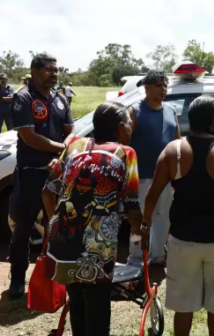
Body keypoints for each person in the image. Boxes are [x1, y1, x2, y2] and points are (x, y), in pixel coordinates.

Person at [143, 96, 214, 336]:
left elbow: (152, 195)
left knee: (183, 308)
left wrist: (144, 224)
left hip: (183, 241)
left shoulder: (174, 151)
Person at [42, 101, 143, 336]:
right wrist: (139, 231)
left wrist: (53, 225)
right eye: (129, 123)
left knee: (76, 304)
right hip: (98, 248)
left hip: (63, 242)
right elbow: (131, 203)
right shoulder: (126, 153)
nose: (131, 128)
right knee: (98, 311)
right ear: (120, 128)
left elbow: (47, 192)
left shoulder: (74, 146)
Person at [7, 53, 75, 299]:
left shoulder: (59, 99)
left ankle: (54, 277)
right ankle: (17, 278)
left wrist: (64, 151)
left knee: (56, 226)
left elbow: (70, 130)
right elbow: (29, 137)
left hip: (57, 174)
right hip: (30, 175)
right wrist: (62, 149)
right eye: (48, 69)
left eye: (56, 69)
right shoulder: (23, 98)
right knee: (23, 227)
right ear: (34, 71)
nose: (54, 74)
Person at [127, 70, 181, 266]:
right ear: (147, 87)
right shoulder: (134, 111)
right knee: (140, 219)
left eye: (165, 85)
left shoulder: (171, 111)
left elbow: (177, 142)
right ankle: (135, 258)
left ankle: (158, 256)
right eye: (159, 85)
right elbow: (125, 144)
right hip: (141, 178)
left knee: (162, 218)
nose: (163, 89)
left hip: (164, 179)